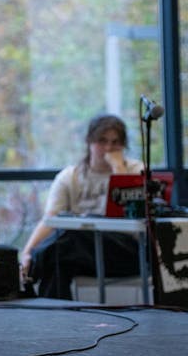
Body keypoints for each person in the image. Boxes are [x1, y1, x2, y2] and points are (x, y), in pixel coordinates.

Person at [20, 114, 144, 299]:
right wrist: (27, 252)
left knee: (70, 234)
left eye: (116, 142)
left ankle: (33, 282)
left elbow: (134, 215)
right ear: (89, 141)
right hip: (79, 252)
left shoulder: (135, 170)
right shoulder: (69, 177)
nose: (109, 148)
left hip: (125, 251)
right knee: (58, 258)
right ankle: (60, 319)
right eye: (102, 141)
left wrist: (119, 169)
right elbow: (50, 220)